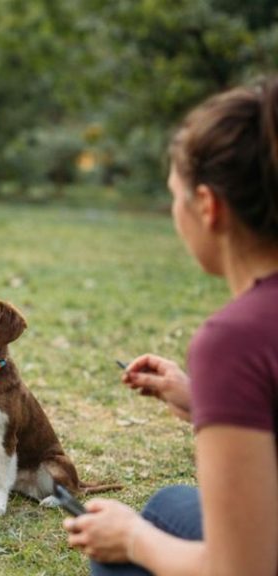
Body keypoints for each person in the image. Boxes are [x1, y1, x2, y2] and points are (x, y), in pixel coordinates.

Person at [62, 78, 278, 575]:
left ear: (208, 206)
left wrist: (133, 538)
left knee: (146, 526)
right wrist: (204, 398)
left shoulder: (236, 339)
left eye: (175, 198)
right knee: (175, 500)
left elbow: (241, 570)